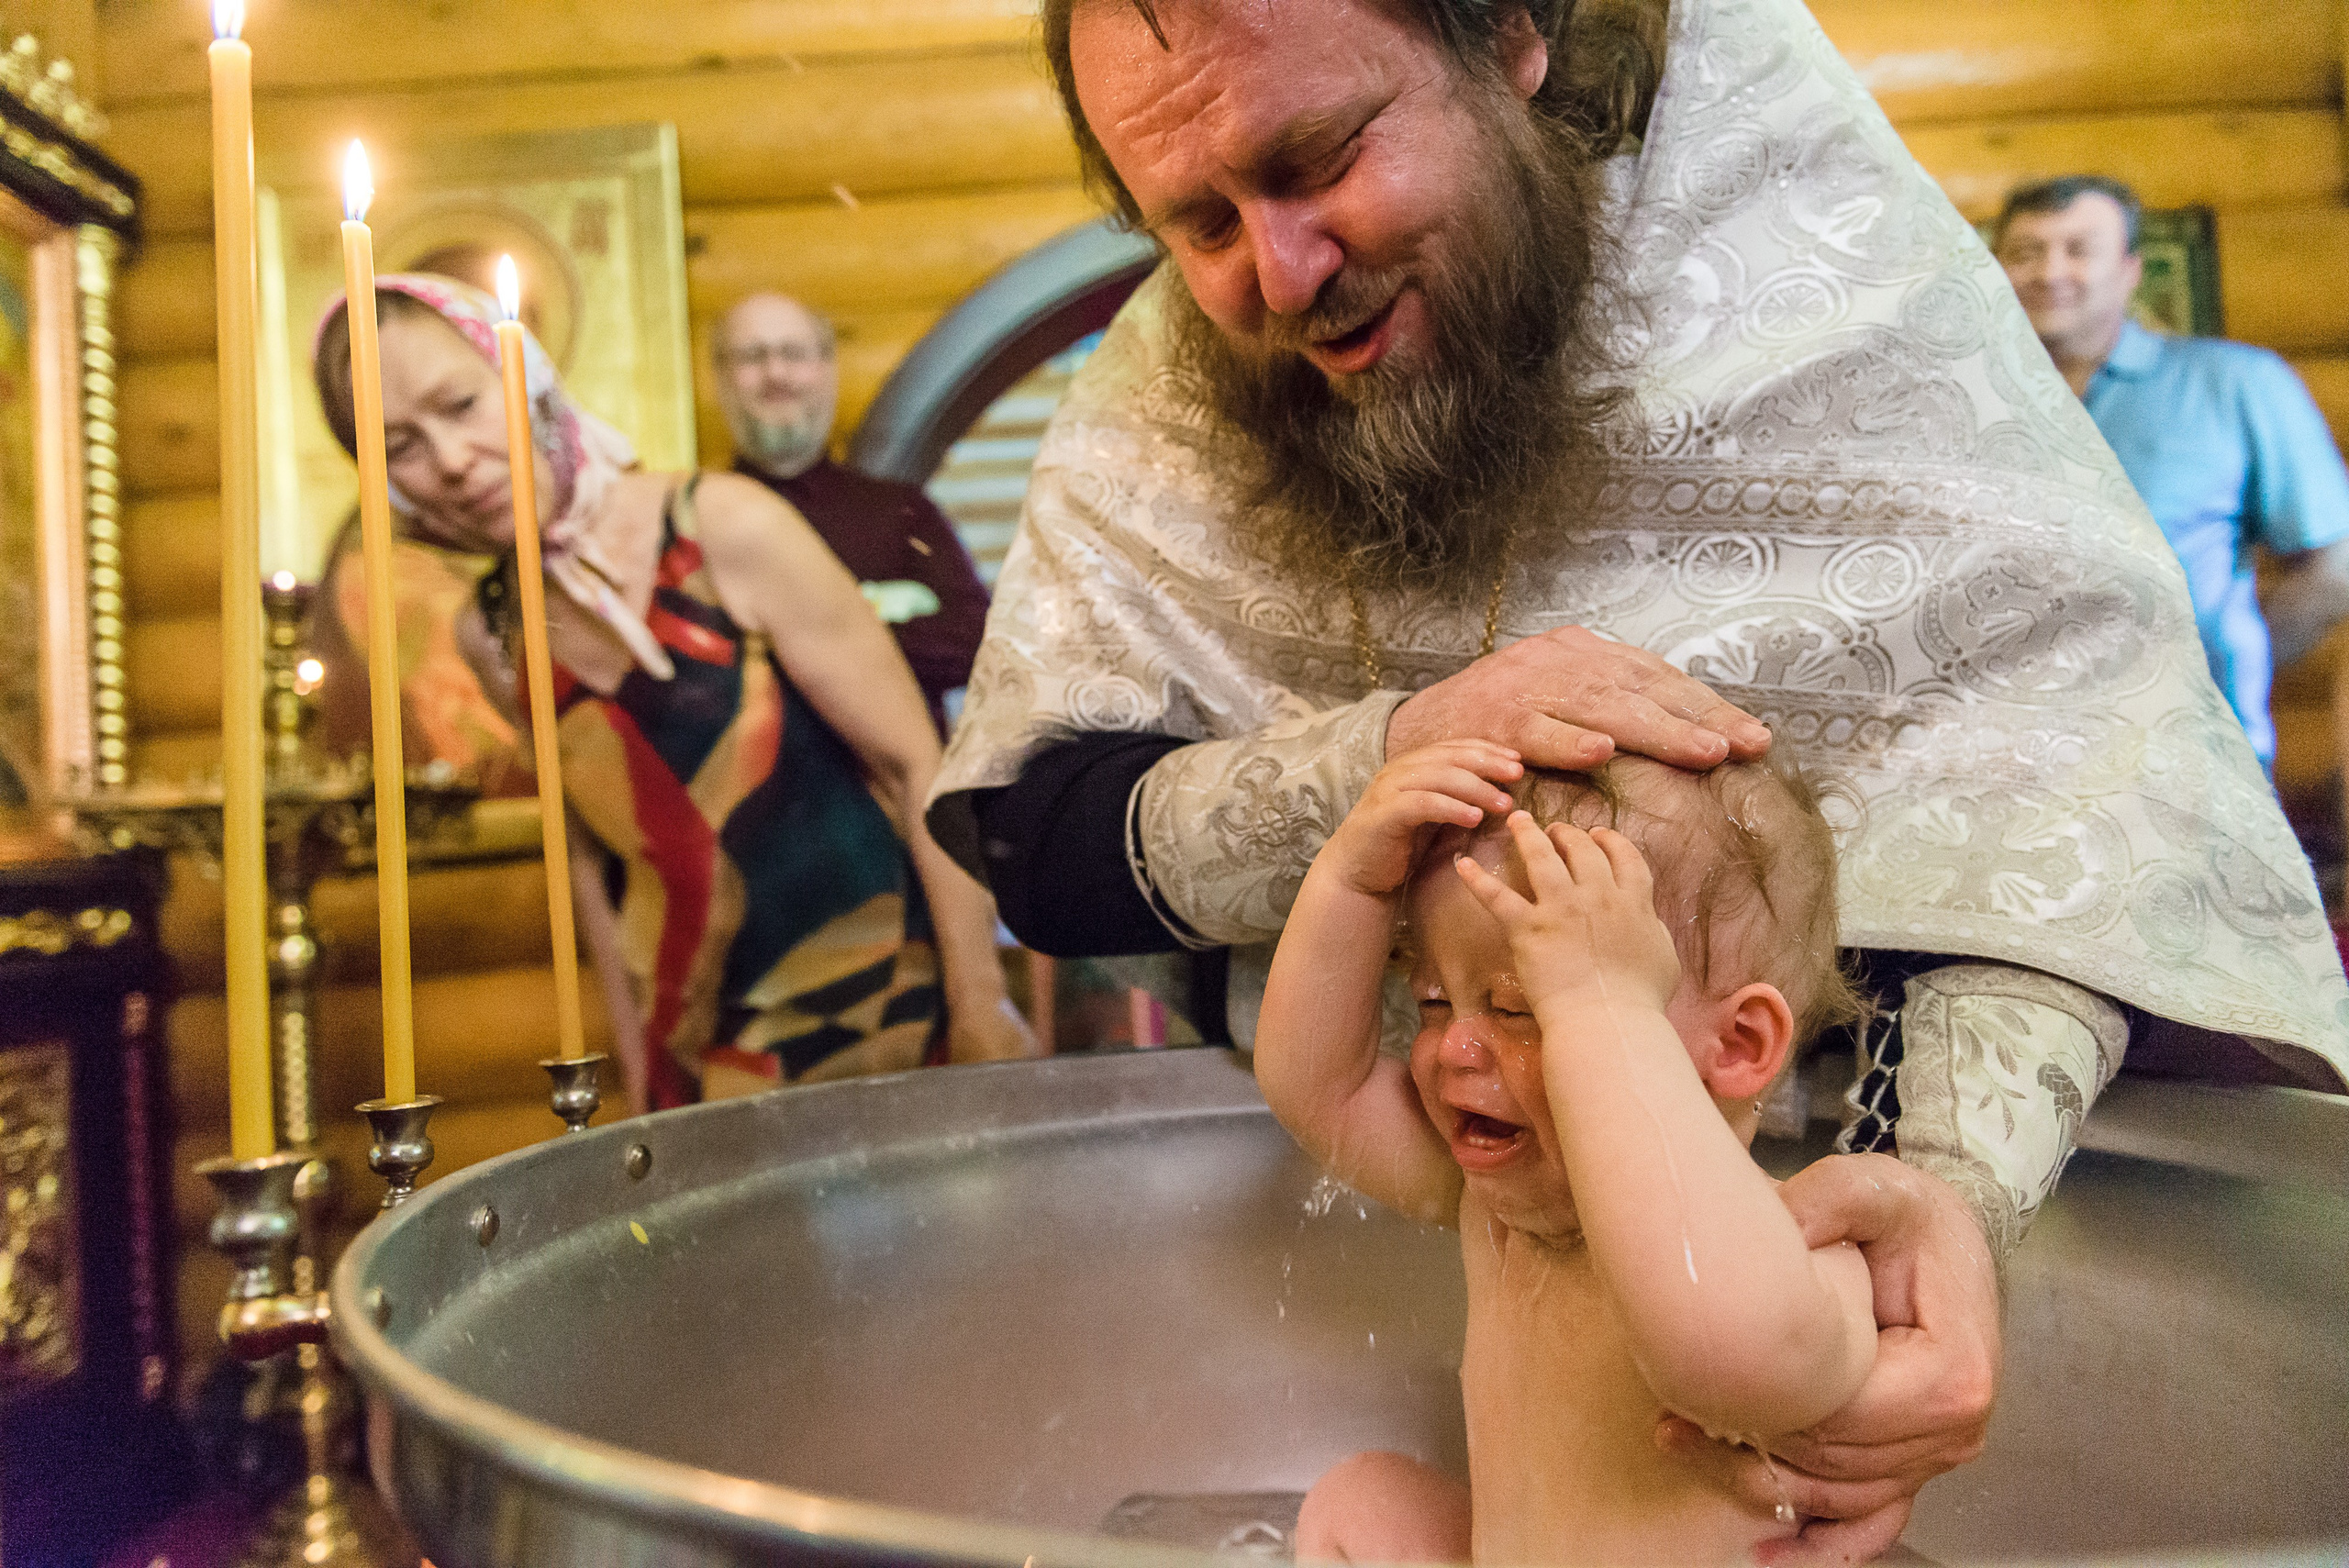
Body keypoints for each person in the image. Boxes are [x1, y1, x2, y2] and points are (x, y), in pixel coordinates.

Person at [926, 0, 2349, 1556]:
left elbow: (2076, 771)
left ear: (1512, 35)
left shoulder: (1814, 240)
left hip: (1948, 1321)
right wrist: (1390, 758)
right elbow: (1044, 825)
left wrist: (1941, 1195)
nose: (1276, 276)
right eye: (1191, 220)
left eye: (1321, 156)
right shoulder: (1179, 378)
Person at [315, 275, 1038, 1111]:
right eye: (399, 444)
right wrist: (634, 1076)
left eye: (461, 403)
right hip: (694, 1059)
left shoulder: (722, 523)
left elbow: (919, 765)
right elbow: (592, 860)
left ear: (529, 380)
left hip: (886, 1029)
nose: (446, 459)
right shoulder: (491, 632)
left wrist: (984, 1009)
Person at [1259, 744, 1876, 1564]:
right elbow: (1320, 1089)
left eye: (1522, 1005)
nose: (1458, 1048)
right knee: (1362, 1499)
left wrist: (1594, 1001)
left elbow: (1715, 1344)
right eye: (1436, 1000)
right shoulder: (1501, 1205)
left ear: (1735, 1044)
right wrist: (1347, 882)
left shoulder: (1798, 1256)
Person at [1994, 175, 2349, 768]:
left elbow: (2334, 564)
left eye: (2079, 250)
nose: (2049, 272)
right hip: (2012, 766)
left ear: (2131, 270)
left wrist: (2229, 663)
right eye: (2026, 252)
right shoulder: (1969, 400)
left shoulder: (2237, 383)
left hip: (2199, 762)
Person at [711, 292, 992, 735]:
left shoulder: (903, 515)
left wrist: (798, 648)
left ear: (827, 369)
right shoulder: (697, 521)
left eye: (793, 353)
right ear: (721, 378)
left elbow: (975, 642)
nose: (775, 373)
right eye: (752, 356)